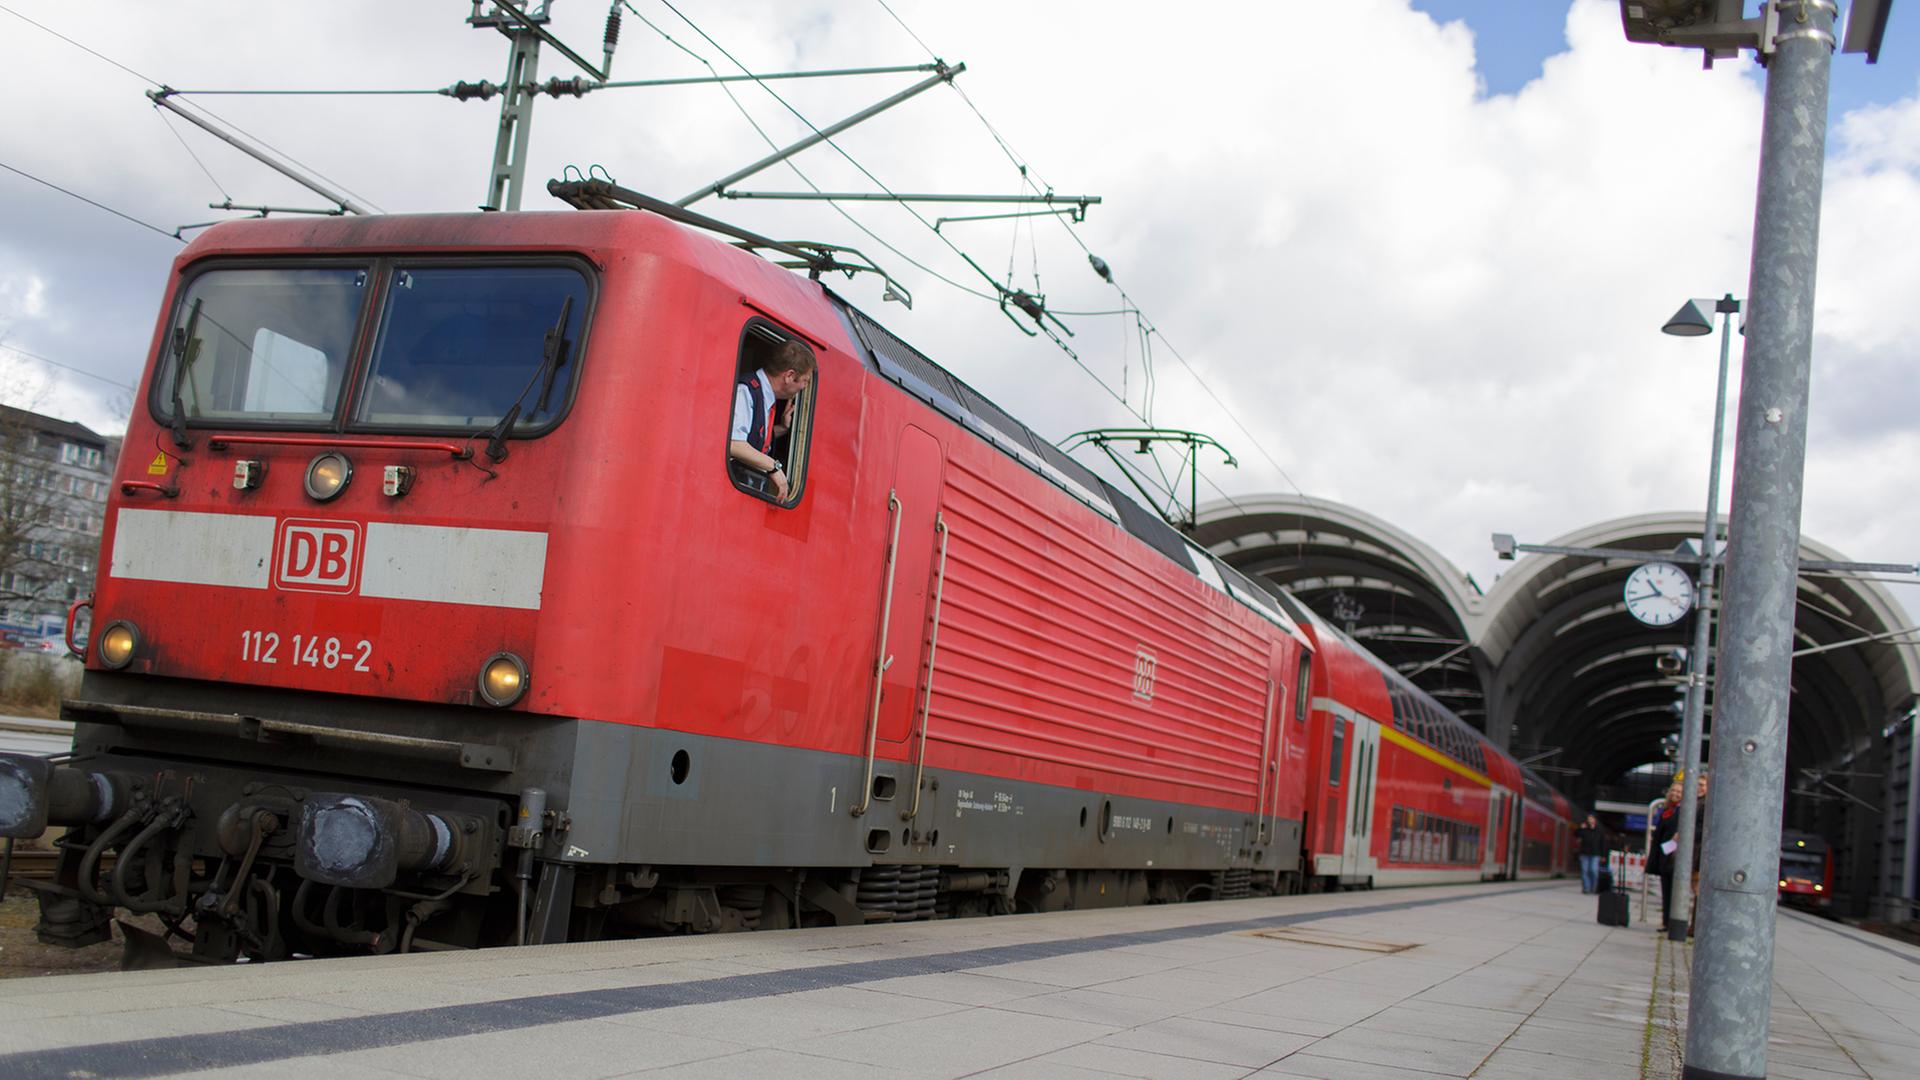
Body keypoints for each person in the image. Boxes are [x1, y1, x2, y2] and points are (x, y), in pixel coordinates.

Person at [729, 340, 815, 500]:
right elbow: (734, 443)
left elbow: (751, 435)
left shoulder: (764, 397)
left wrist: (782, 428)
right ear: (789, 376)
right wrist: (774, 467)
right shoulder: (746, 390)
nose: (804, 386)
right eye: (806, 380)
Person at [1649, 776, 1684, 931]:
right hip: (1665, 854)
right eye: (1673, 790)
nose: (1675, 793)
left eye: (1679, 792)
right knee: (1666, 890)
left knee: (1673, 891)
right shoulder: (1667, 810)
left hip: (1674, 856)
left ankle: (1672, 922)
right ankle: (1666, 921)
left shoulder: (1682, 811)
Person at [1576, 814, 1607, 893]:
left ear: (1595, 820)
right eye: (1588, 819)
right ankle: (1586, 888)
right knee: (1584, 871)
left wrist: (1603, 855)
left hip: (1595, 854)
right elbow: (1576, 835)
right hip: (1584, 853)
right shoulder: (1584, 829)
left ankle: (1594, 887)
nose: (1589, 820)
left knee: (1593, 870)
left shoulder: (1600, 831)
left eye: (1591, 818)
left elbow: (1603, 843)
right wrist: (1580, 828)